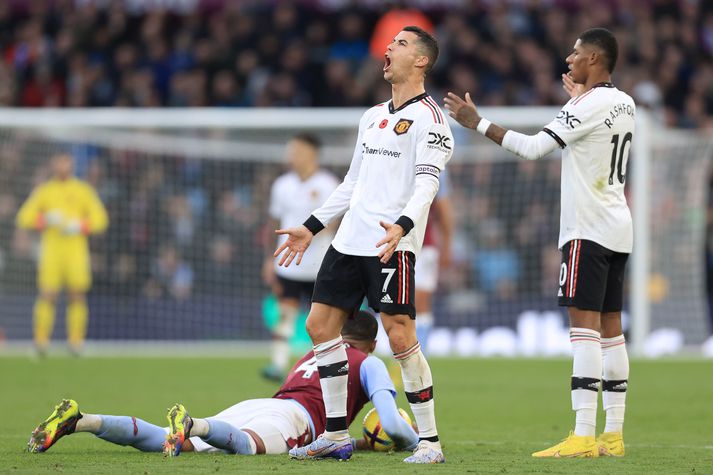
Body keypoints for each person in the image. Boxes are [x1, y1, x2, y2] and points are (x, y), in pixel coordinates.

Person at [445, 27, 633, 458]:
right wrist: (576, 100)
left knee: (583, 330)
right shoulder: (625, 102)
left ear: (595, 61)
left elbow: (532, 149)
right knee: (611, 330)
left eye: (576, 54)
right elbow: (590, 129)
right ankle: (614, 435)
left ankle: (584, 433)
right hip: (618, 228)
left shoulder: (587, 105)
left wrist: (479, 123)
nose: (568, 60)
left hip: (586, 229)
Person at [274, 26, 452, 464]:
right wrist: (312, 226)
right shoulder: (371, 116)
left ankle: (430, 441)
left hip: (390, 243)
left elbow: (429, 182)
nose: (389, 49)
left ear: (422, 60)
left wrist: (405, 226)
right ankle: (336, 434)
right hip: (349, 240)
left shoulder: (431, 118)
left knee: (400, 334)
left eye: (401, 44)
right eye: (390, 43)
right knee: (319, 326)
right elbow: (352, 182)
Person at [26, 311, 418, 456]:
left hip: (261, 403)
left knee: (167, 437)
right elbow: (395, 423)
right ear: (372, 342)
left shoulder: (311, 353)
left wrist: (365, 443)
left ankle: (82, 420)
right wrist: (418, 442)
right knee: (247, 446)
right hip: (295, 419)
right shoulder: (368, 361)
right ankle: (193, 425)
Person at [261, 133, 338, 381]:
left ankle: (326, 366)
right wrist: (267, 259)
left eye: (297, 151)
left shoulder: (328, 184)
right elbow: (273, 222)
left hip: (320, 265)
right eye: (290, 151)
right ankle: (278, 364)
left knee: (323, 322)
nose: (291, 156)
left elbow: (337, 222)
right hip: (288, 264)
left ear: (312, 153)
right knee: (285, 314)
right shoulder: (281, 185)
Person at [16, 153, 109, 356]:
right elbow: (23, 217)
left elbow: (101, 219)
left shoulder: (83, 190)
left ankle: (76, 343)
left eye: (66, 161)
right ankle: (41, 342)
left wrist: (81, 225)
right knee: (47, 295)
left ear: (72, 164)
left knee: (77, 295)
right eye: (58, 161)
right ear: (53, 164)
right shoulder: (44, 191)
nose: (62, 165)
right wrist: (44, 220)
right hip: (51, 251)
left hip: (76, 251)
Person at [415, 170, 454, 349]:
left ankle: (420, 354)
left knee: (420, 300)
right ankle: (406, 357)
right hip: (395, 245)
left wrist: (446, 247)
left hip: (425, 247)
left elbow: (444, 211)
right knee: (400, 303)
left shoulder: (437, 169)